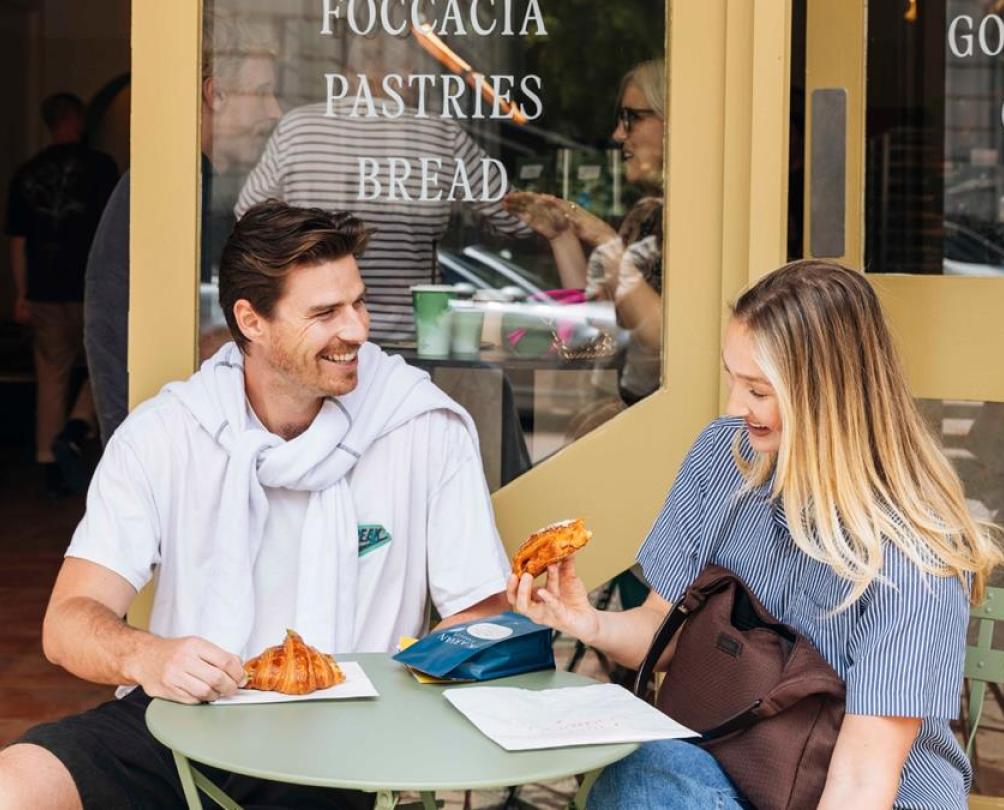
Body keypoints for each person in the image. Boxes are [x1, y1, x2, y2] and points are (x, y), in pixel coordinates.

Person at [0, 201, 510, 810]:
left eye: (358, 302)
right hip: (188, 716)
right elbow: (66, 623)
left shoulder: (423, 425)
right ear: (252, 321)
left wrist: (408, 689)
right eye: (324, 313)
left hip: (350, 735)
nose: (356, 330)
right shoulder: (167, 431)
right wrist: (150, 656)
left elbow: (481, 617)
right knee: (17, 783)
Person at [509, 260, 1003, 809]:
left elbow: (863, 781)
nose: (733, 407)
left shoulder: (912, 555)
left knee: (648, 777)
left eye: (758, 391)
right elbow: (664, 631)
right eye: (732, 380)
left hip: (862, 793)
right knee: (645, 766)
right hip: (729, 765)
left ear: (829, 396)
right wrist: (587, 622)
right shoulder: (723, 457)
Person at [84, 9, 282, 445]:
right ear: (216, 95)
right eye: (263, 92)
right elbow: (117, 332)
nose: (274, 110)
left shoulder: (195, 184)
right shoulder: (173, 192)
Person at [235, 98, 530, 343]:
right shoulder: (437, 131)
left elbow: (249, 220)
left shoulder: (297, 127)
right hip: (418, 337)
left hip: (315, 333)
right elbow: (519, 221)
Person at [504, 59, 665, 404]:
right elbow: (596, 325)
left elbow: (661, 337)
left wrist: (607, 241)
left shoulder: (701, 220)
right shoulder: (646, 215)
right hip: (632, 405)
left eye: (631, 118)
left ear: (672, 119)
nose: (618, 134)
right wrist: (561, 235)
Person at [6, 92, 119, 494]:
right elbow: (117, 233)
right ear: (79, 120)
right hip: (91, 286)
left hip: (44, 290)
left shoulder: (27, 172)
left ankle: (49, 464)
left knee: (50, 374)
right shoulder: (102, 168)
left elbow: (17, 242)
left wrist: (22, 293)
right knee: (103, 364)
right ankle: (77, 427)